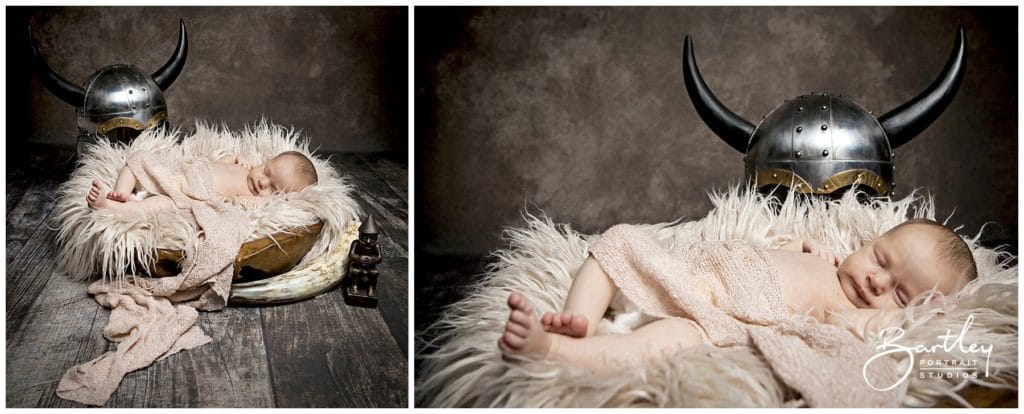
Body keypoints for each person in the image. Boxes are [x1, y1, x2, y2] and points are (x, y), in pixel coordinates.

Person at [498, 218, 977, 370]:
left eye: (901, 293)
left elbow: (882, 329)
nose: (876, 281)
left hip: (719, 317)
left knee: (673, 342)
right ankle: (579, 318)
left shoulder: (849, 312)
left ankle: (557, 349)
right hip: (688, 275)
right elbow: (762, 250)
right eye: (880, 258)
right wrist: (800, 248)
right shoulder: (825, 260)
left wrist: (917, 315)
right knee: (619, 240)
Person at [86, 151, 318, 214]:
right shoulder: (244, 167)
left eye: (273, 189)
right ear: (264, 161)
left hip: (187, 196)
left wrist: (282, 201)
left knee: (158, 207)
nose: (262, 182)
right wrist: (238, 157)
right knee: (138, 158)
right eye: (266, 171)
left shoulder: (251, 197)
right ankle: (120, 192)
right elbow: (217, 161)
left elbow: (243, 204)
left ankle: (112, 206)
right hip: (178, 173)